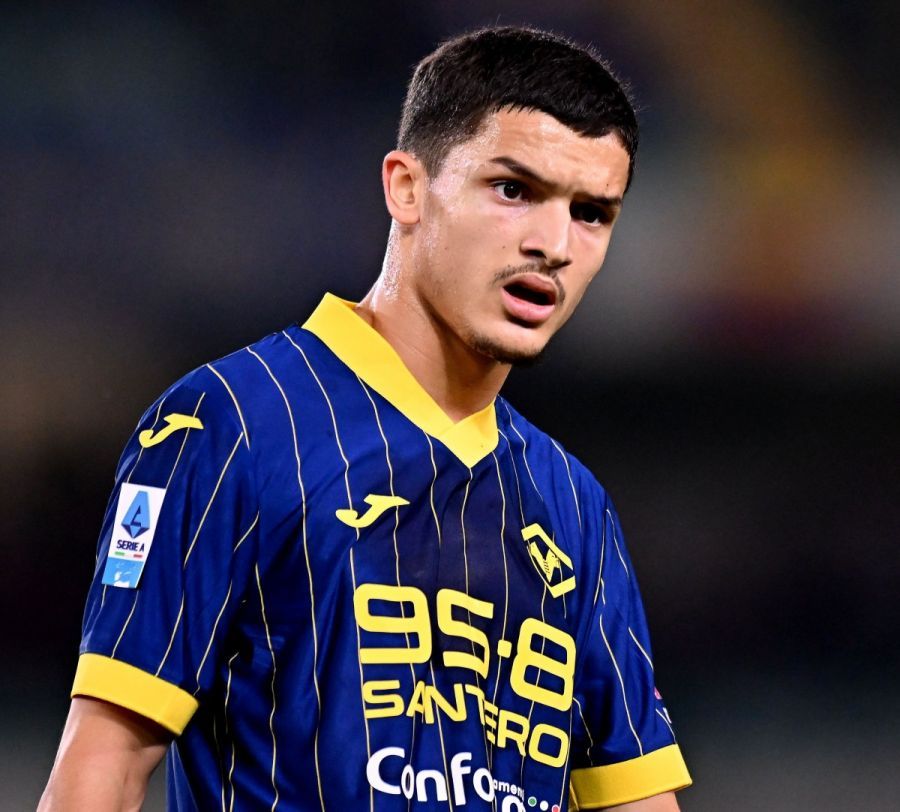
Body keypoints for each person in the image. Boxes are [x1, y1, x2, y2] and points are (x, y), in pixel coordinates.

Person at [40, 25, 691, 812]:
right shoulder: (233, 424)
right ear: (406, 188)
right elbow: (102, 766)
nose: (552, 243)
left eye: (591, 213)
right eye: (513, 189)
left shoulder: (576, 508)